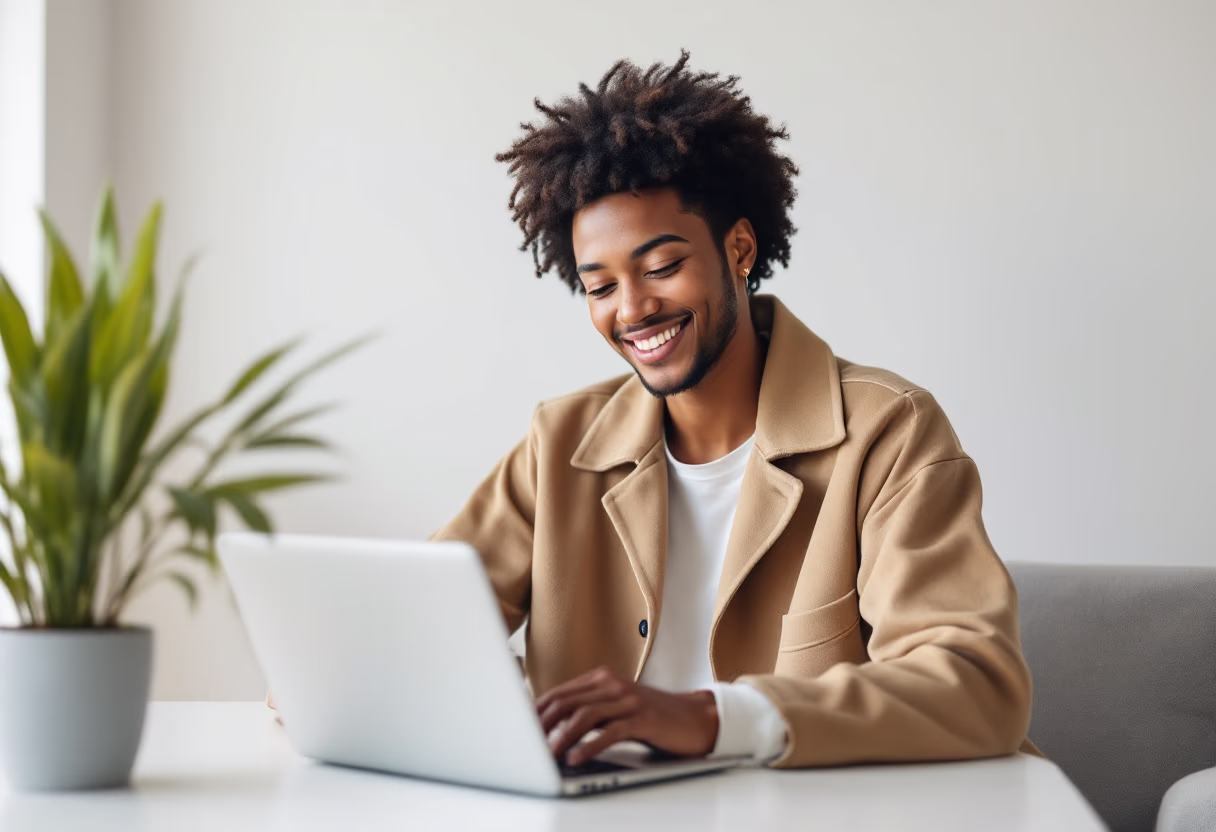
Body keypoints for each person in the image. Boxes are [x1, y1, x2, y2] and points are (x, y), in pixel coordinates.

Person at [433, 51, 1036, 769]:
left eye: (661, 267)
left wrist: (719, 718)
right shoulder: (559, 442)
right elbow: (413, 625)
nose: (632, 310)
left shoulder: (888, 432)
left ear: (739, 248)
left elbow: (976, 684)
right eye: (600, 287)